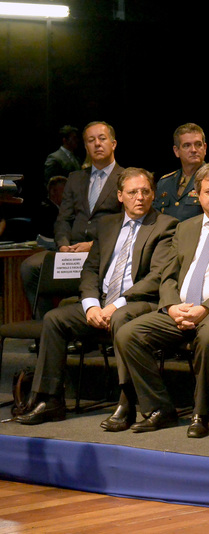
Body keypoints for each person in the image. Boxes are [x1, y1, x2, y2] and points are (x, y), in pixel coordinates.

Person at [15, 168, 177, 426]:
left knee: (121, 317)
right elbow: (90, 270)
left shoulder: (165, 225)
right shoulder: (107, 225)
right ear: (120, 196)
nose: (140, 197)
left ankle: (127, 401)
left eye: (145, 191)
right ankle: (50, 399)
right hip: (101, 301)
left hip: (139, 302)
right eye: (133, 192)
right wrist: (91, 305)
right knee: (55, 319)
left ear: (153, 194)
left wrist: (116, 305)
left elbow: (156, 277)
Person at [115, 163, 209, 437]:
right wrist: (172, 306)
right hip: (179, 309)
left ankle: (201, 413)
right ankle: (160, 408)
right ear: (198, 195)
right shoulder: (185, 228)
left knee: (208, 337)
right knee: (128, 334)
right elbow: (168, 276)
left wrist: (205, 308)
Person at [22, 121, 124, 318]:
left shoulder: (125, 178)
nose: (97, 144)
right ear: (85, 146)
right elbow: (63, 219)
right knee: (30, 268)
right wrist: (63, 245)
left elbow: (127, 224)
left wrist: (93, 245)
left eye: (102, 139)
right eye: (91, 140)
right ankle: (47, 325)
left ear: (113, 144)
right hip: (71, 251)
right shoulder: (75, 178)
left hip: (103, 251)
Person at [155, 123, 207, 221]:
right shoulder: (165, 182)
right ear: (176, 151)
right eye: (187, 145)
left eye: (198, 144)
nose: (193, 150)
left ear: (205, 148)